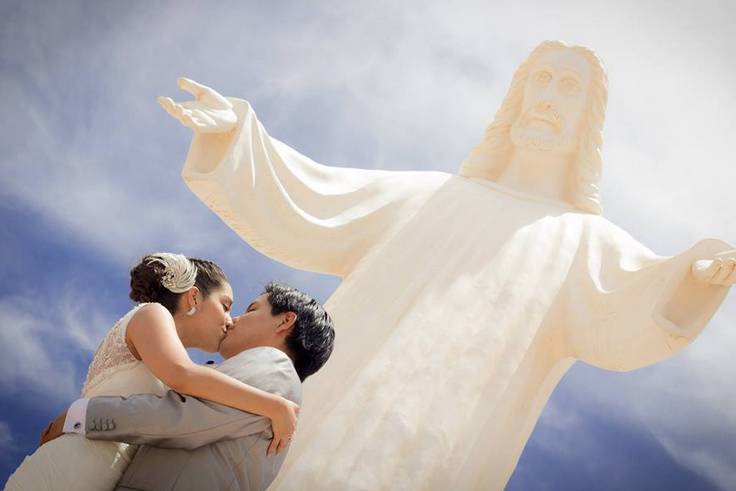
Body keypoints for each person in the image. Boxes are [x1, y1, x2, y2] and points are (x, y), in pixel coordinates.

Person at [158, 40, 735, 490]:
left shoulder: (585, 243)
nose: (550, 96)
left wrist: (693, 275)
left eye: (569, 87)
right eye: (541, 79)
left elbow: (639, 304)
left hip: (440, 449)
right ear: (516, 98)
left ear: (589, 118)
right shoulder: (431, 195)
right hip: (316, 414)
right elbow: (313, 196)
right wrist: (239, 138)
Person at [4, 253, 299, 491]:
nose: (229, 320)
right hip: (75, 467)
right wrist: (273, 405)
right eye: (225, 305)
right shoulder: (152, 313)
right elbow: (183, 376)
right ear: (194, 298)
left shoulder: (168, 353)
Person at [41, 282, 335, 491]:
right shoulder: (275, 381)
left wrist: (81, 414)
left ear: (285, 321)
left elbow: (181, 419)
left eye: (251, 309)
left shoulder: (274, 365)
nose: (234, 320)